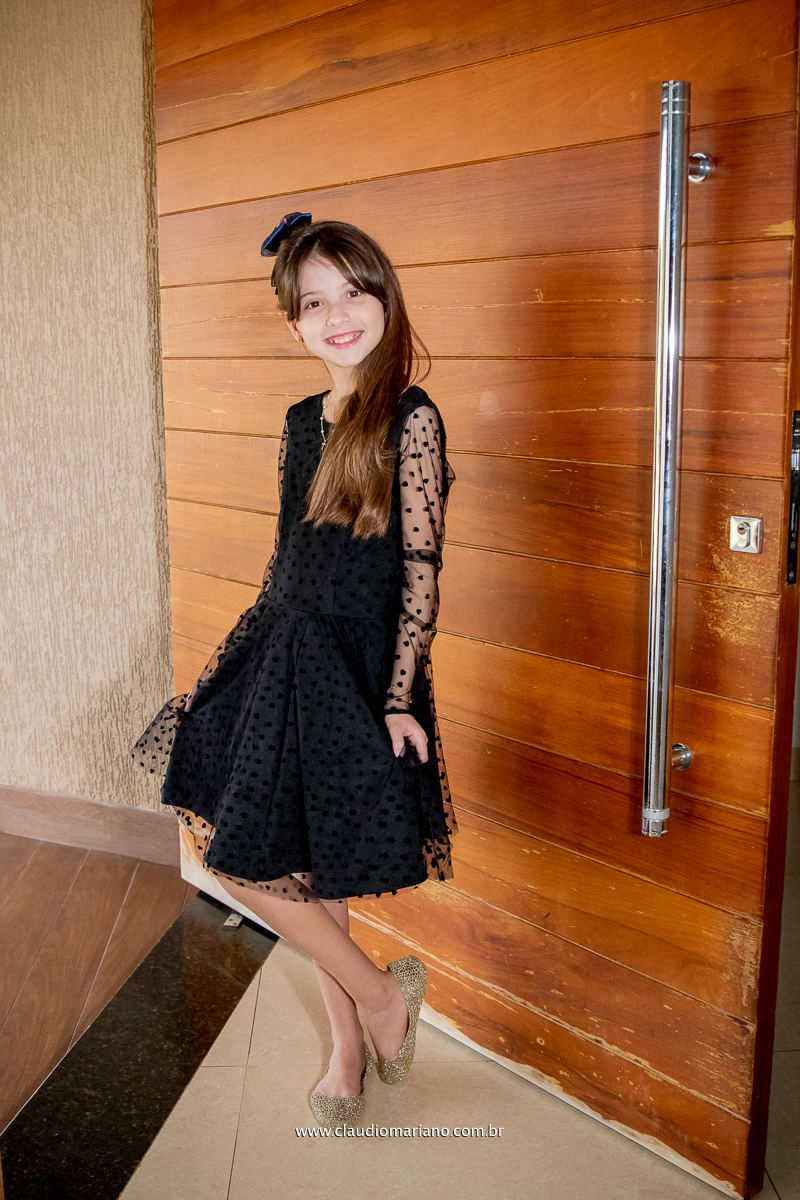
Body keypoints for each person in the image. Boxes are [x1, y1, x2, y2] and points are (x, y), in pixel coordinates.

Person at [133, 214, 457, 1128]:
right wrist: (228, 667)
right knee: (272, 865)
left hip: (358, 668)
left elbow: (421, 569)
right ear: (295, 325)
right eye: (316, 303)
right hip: (283, 650)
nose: (338, 316)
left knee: (320, 867)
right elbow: (286, 557)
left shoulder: (412, 417)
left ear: (385, 298)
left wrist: (399, 697)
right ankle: (368, 1018)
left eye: (354, 292)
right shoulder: (300, 421)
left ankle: (366, 1022)